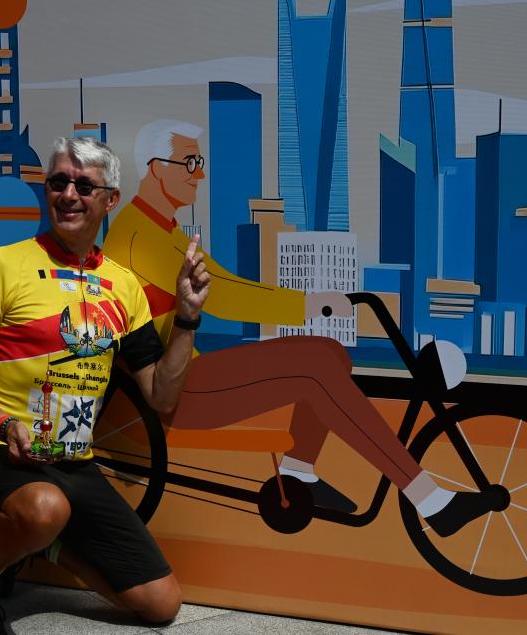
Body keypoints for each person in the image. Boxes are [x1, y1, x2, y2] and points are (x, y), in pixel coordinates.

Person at [103, 119, 494, 529]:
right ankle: (430, 500)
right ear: (156, 168)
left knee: (328, 353)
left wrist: (310, 304)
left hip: (183, 372)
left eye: (198, 163)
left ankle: (298, 471)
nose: (199, 175)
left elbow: (224, 282)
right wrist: (309, 305)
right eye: (189, 163)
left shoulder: (161, 230)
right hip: (172, 388)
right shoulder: (140, 236)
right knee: (316, 366)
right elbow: (225, 294)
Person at [0, 136, 209, 634]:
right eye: (58, 182)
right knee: (45, 507)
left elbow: (161, 397)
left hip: (74, 464)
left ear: (111, 200)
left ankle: (45, 542)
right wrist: (3, 423)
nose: (68, 195)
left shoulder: (123, 286)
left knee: (161, 605)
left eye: (85, 186)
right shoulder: (3, 265)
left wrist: (187, 317)